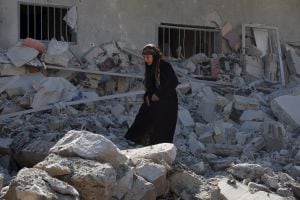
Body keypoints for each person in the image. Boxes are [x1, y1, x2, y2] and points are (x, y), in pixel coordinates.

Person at [125, 44, 179, 146]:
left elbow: (173, 82)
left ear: (154, 56)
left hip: (168, 101)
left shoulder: (165, 66)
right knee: (143, 116)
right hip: (154, 99)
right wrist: (148, 96)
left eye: (148, 57)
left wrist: (158, 94)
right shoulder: (150, 67)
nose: (146, 60)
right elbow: (151, 85)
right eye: (144, 57)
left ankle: (160, 147)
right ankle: (137, 139)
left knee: (161, 126)